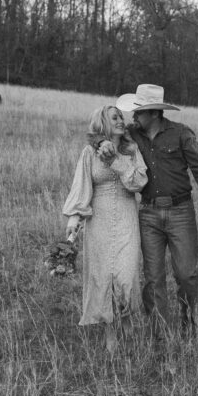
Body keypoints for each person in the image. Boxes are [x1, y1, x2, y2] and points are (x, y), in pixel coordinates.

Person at [115, 83, 198, 339]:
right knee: (153, 277)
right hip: (148, 212)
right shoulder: (132, 134)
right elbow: (106, 133)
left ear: (154, 113)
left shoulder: (182, 134)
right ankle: (159, 331)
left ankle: (188, 319)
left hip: (180, 211)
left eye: (139, 112)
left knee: (186, 274)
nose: (134, 116)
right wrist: (101, 144)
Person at [62, 105, 147, 354]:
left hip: (126, 217)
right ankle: (111, 333)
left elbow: (139, 183)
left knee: (126, 275)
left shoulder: (132, 151)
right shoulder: (89, 153)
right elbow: (81, 189)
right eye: (115, 118)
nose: (121, 120)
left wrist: (117, 161)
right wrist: (72, 227)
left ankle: (128, 322)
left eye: (121, 116)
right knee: (103, 277)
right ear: (103, 123)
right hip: (98, 220)